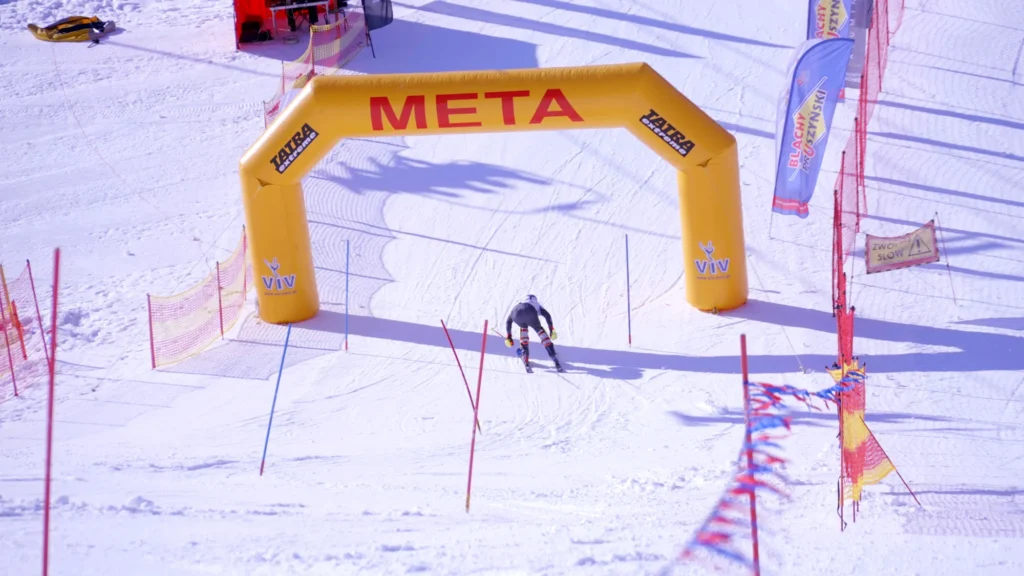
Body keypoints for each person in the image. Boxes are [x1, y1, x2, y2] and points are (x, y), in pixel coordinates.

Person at [505, 295, 561, 369]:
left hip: (516, 313)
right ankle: (553, 355)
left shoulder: (520, 303)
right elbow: (547, 315)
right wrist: (551, 329)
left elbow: (508, 321)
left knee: (523, 327)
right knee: (540, 331)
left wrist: (509, 336)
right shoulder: (538, 305)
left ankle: (524, 354)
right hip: (530, 312)